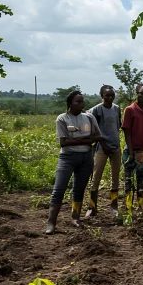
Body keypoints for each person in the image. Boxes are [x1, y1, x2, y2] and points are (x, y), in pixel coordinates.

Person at [46, 90, 103, 234]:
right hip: (68, 157)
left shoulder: (89, 118)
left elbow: (97, 136)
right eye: (77, 101)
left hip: (86, 157)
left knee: (79, 189)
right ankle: (51, 223)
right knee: (59, 189)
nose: (81, 104)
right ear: (70, 103)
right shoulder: (62, 119)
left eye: (82, 101)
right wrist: (85, 140)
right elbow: (64, 143)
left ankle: (75, 218)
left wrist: (77, 140)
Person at [85, 85, 122, 218]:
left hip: (116, 146)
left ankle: (114, 206)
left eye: (112, 95)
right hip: (101, 147)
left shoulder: (116, 108)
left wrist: (114, 144)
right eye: (107, 95)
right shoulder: (95, 110)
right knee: (95, 178)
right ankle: (92, 206)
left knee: (115, 177)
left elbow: (117, 126)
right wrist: (103, 143)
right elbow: (91, 129)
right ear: (102, 96)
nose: (110, 97)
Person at [121, 83, 143, 213]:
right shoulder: (129, 110)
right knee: (128, 181)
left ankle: (141, 207)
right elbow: (127, 132)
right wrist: (131, 153)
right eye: (140, 93)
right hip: (131, 150)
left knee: (142, 182)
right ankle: (128, 207)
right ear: (136, 93)